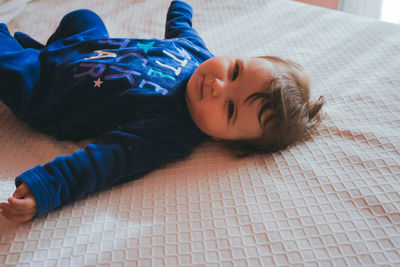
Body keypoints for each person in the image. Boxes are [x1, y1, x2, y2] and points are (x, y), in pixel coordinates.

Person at [0, 1, 324, 223]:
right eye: (236, 71)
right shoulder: (197, 53)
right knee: (83, 17)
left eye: (229, 108)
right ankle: (45, 51)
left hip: (49, 90)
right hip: (88, 48)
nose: (218, 85)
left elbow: (105, 161)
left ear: (225, 139)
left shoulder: (171, 130)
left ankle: (27, 54)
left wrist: (48, 187)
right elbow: (180, 25)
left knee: (11, 67)